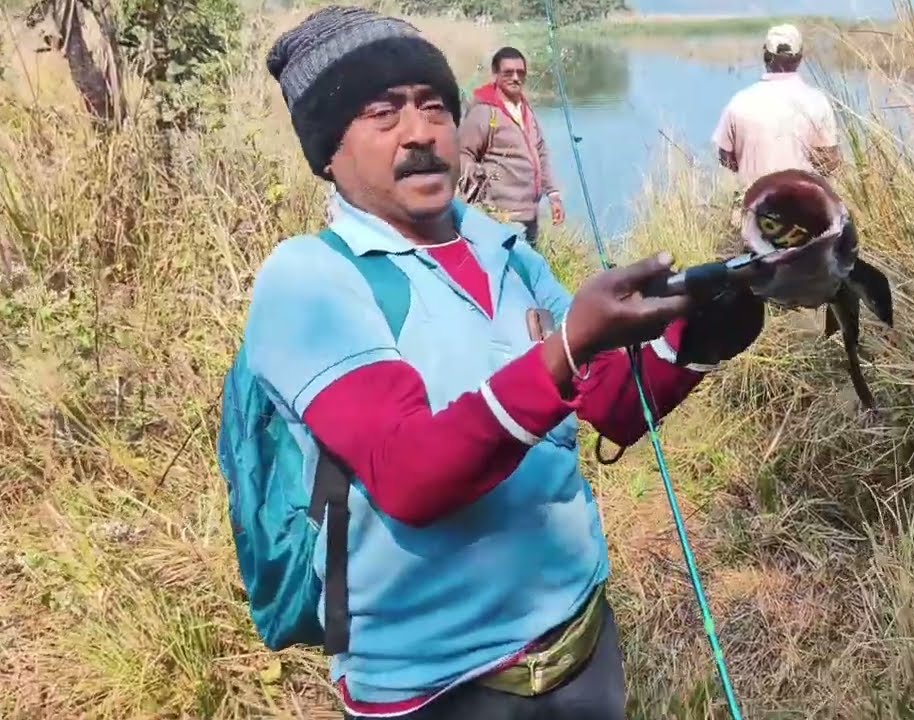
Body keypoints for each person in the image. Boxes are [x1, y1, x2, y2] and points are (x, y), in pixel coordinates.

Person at [249, 6, 765, 719]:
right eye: (382, 113)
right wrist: (569, 345)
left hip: (580, 646)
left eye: (434, 107)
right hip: (435, 689)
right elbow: (410, 475)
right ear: (327, 151)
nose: (421, 133)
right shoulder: (309, 280)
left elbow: (610, 405)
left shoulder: (507, 252)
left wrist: (701, 332)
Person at [711, 24, 842, 192]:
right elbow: (829, 163)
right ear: (799, 57)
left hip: (754, 204)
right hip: (803, 204)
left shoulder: (739, 102)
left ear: (766, 56)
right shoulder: (817, 101)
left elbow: (725, 158)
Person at [458, 46, 563, 247]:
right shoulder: (484, 113)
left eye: (520, 73)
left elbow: (540, 153)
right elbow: (463, 153)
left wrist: (554, 195)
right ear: (495, 75)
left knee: (527, 272)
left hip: (530, 214)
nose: (516, 78)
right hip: (502, 218)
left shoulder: (525, 110)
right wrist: (477, 180)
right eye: (508, 73)